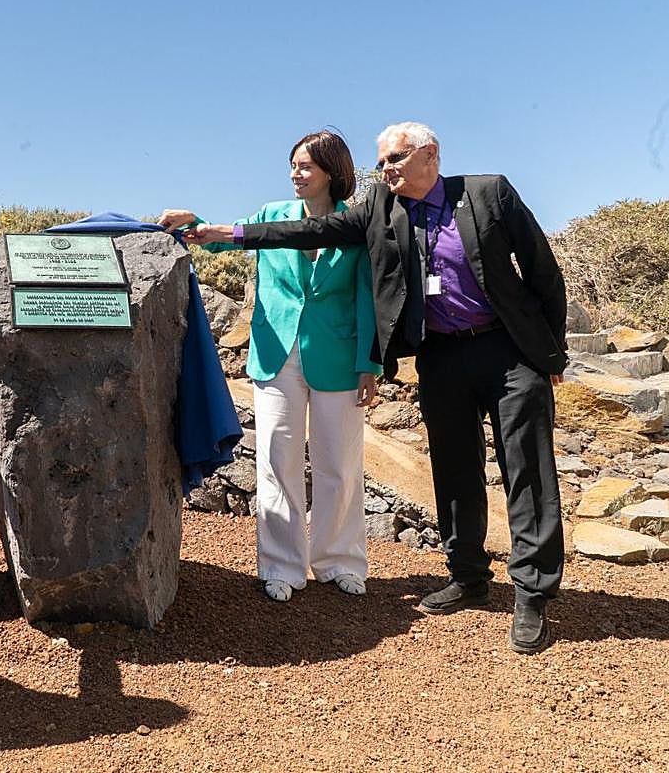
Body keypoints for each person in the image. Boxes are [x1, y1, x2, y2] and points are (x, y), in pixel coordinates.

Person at [173, 122, 566, 654]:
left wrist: (551, 353)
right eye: (381, 162)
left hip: (507, 349)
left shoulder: (487, 191)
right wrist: (222, 233)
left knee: (526, 469)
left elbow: (541, 269)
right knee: (453, 466)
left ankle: (532, 593)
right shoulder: (382, 205)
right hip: (441, 353)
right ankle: (469, 575)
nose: (385, 170)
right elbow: (308, 233)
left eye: (396, 159)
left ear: (430, 155)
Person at [160, 131, 379, 603]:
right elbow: (224, 243)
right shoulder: (271, 215)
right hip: (275, 352)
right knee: (277, 461)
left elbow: (367, 295)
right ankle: (281, 565)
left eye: (306, 167)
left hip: (339, 357)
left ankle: (340, 560)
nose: (295, 174)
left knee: (339, 463)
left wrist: (369, 364)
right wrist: (194, 222)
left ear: (331, 172)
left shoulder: (356, 223)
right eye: (293, 165)